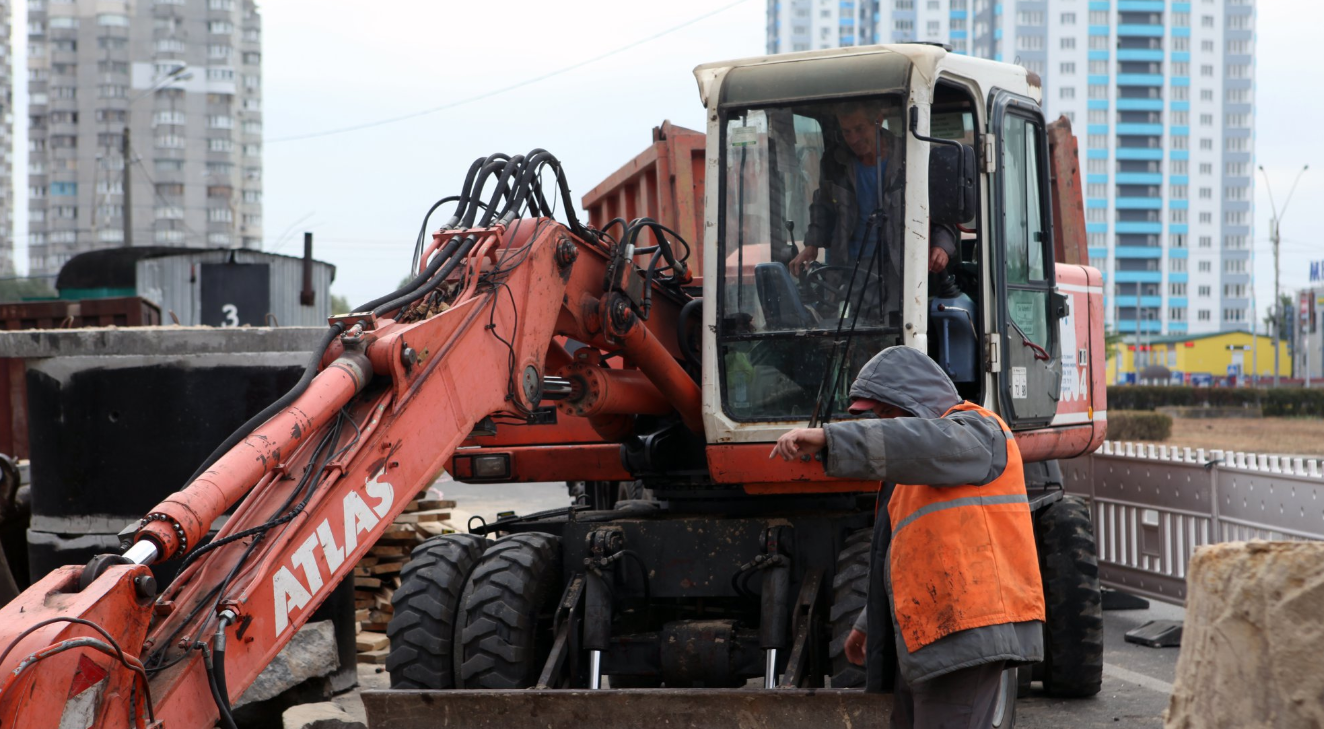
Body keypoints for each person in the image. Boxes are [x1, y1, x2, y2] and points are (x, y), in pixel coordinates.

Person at [770, 346, 1044, 729]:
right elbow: (910, 557)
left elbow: (920, 440)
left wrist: (832, 440)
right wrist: (869, 622)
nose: (883, 425)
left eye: (887, 414)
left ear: (920, 402)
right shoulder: (912, 478)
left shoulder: (980, 431)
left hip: (966, 631)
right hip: (934, 634)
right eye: (877, 417)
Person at [788, 101, 957, 277]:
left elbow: (941, 211)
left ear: (878, 120)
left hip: (902, 267)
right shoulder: (834, 163)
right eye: (847, 131)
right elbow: (823, 206)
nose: (853, 139)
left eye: (859, 129)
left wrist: (941, 245)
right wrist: (812, 244)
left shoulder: (912, 158)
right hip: (851, 270)